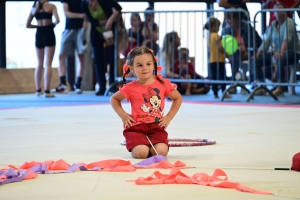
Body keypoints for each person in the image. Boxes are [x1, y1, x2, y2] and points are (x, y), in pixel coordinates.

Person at [110, 46, 182, 159]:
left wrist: (169, 117)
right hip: (136, 128)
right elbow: (114, 99)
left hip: (157, 127)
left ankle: (148, 145)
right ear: (132, 69)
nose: (145, 68)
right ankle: (140, 144)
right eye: (139, 65)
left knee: (161, 152)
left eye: (148, 64)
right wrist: (124, 116)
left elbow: (178, 98)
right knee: (141, 153)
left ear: (154, 65)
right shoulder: (130, 88)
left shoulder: (163, 84)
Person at [253, 2, 300, 96]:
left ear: (286, 12)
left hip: (293, 52)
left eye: (282, 11)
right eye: (277, 11)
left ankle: (280, 88)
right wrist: (258, 53)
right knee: (256, 60)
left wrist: (281, 53)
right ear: (274, 13)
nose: (280, 13)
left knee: (281, 60)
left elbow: (286, 39)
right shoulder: (273, 24)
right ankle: (262, 86)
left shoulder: (289, 22)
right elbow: (266, 41)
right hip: (277, 52)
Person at [81, 0, 122, 96]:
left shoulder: (105, 2)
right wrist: (107, 20)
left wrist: (111, 19)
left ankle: (112, 85)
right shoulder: (84, 5)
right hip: (96, 35)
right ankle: (101, 87)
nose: (91, 4)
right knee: (98, 61)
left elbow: (119, 8)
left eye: (93, 1)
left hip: (110, 34)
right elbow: (93, 22)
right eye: (89, 2)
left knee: (112, 59)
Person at [26, 0, 60, 97]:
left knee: (39, 63)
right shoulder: (51, 6)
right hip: (48, 32)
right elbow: (57, 20)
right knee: (48, 63)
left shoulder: (34, 7)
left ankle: (38, 90)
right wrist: (52, 24)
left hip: (39, 33)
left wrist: (38, 26)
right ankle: (47, 91)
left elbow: (27, 25)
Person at [53, 0, 87, 94]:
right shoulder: (66, 1)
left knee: (81, 56)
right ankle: (63, 83)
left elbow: (87, 13)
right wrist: (81, 16)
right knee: (61, 56)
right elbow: (67, 13)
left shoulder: (83, 2)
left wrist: (85, 20)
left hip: (81, 30)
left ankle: (78, 84)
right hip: (68, 30)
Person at [204, 18, 232, 99]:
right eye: (218, 27)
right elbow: (220, 48)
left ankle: (215, 93)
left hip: (212, 60)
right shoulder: (217, 36)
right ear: (214, 27)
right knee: (222, 77)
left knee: (214, 78)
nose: (219, 29)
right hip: (219, 60)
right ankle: (224, 92)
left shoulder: (209, 37)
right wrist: (227, 55)